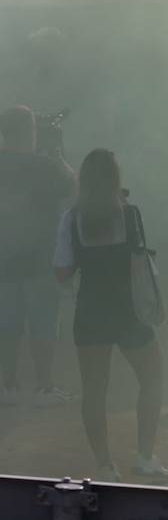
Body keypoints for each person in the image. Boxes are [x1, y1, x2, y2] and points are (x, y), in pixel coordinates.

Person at [53, 149, 168, 480]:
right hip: (129, 310)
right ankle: (145, 456)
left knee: (94, 390)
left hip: (90, 310)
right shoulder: (130, 214)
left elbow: (61, 272)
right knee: (151, 378)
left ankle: (105, 465)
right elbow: (141, 265)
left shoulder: (71, 218)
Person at [0, 104, 73, 405]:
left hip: (3, 262)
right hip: (40, 261)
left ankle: (8, 387)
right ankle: (43, 387)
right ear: (28, 131)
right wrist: (57, 153)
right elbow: (73, 187)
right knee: (42, 326)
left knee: (8, 327)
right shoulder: (44, 166)